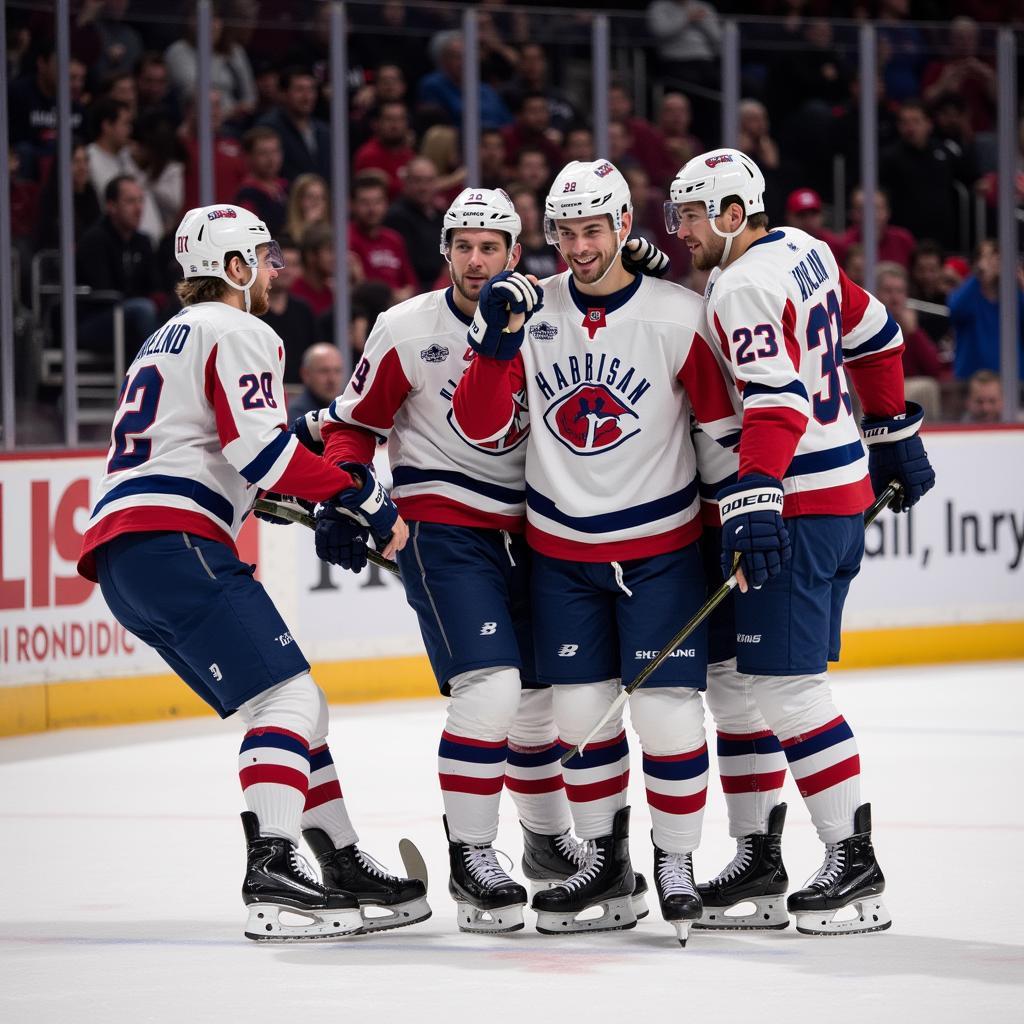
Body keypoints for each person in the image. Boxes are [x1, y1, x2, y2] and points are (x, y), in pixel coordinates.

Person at [311, 188, 668, 935]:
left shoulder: (548, 309)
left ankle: (544, 846)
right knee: (491, 689)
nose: (477, 261)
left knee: (539, 698)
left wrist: (635, 266)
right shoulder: (405, 327)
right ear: (444, 251)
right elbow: (353, 427)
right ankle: (472, 857)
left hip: (535, 528)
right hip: (443, 529)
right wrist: (343, 495)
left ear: (516, 251)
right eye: (463, 246)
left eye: (491, 246)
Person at [76, 203, 428, 941]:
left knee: (298, 711)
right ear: (234, 269)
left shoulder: (164, 338)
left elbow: (225, 446)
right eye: (265, 258)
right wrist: (364, 495)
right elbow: (259, 454)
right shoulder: (241, 329)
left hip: (130, 556)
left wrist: (300, 452)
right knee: (289, 703)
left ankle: (339, 857)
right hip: (177, 542)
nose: (276, 270)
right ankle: (273, 869)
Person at [450, 161, 743, 945]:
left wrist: (740, 521)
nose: (579, 248)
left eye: (593, 230)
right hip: (562, 552)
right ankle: (608, 863)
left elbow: (720, 440)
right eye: (566, 233)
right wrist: (492, 341)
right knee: (579, 716)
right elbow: (480, 428)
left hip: (663, 551)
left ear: (623, 227)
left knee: (666, 712)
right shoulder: (528, 311)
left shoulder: (680, 316)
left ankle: (676, 862)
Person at [667, 147, 936, 935]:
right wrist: (889, 429)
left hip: (798, 506)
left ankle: (855, 865)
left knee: (786, 690)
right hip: (836, 491)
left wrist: (755, 497)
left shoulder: (743, 283)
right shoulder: (803, 249)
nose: (679, 231)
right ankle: (759, 856)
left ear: (727, 214)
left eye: (687, 215)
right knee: (738, 685)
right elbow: (878, 331)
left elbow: (779, 400)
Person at [75, 175, 162, 357]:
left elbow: (155, 286)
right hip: (94, 320)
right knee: (142, 309)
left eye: (141, 201)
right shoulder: (95, 240)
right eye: (130, 202)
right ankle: (157, 377)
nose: (139, 209)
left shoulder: (143, 242)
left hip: (131, 315)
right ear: (111, 206)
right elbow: (104, 293)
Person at [948, 238, 1024, 381]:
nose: (993, 264)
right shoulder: (966, 293)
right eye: (986, 258)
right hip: (971, 382)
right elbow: (956, 310)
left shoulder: (1015, 297)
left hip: (1013, 383)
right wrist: (979, 275)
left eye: (997, 258)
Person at [348, 174, 418, 301]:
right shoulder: (346, 239)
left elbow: (411, 284)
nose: (372, 209)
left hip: (400, 309)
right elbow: (360, 286)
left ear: (386, 204)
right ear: (352, 205)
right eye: (365, 203)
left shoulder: (394, 239)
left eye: (377, 202)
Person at [234, 126, 289, 237]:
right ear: (249, 157)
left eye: (275, 151)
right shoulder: (247, 195)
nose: (271, 159)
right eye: (263, 153)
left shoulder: (286, 187)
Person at [289, 343, 344, 422]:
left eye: (337, 371)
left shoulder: (348, 407)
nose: (332, 379)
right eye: (324, 371)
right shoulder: (297, 415)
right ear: (306, 374)